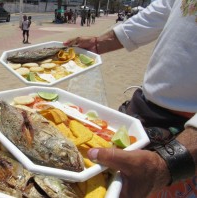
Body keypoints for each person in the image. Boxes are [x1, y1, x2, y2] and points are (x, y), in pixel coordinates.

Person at [64, 0, 197, 197]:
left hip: (186, 140)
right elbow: (161, 10)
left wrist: (169, 163)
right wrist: (97, 43)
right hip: (141, 113)